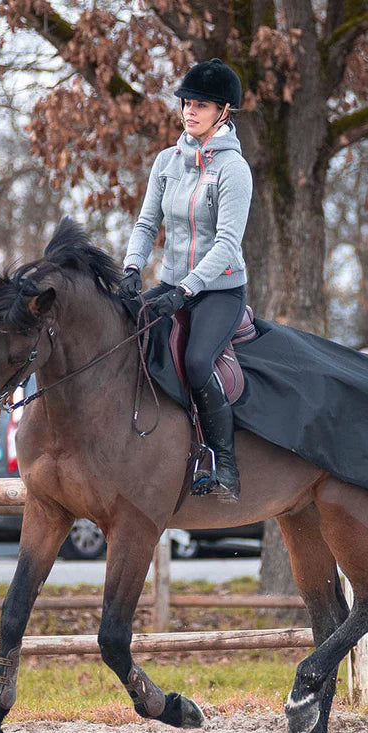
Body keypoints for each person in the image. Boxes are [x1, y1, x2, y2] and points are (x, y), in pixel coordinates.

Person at [118, 58, 253, 502]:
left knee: (197, 363)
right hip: (172, 285)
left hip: (218, 291)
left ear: (223, 112)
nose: (189, 112)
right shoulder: (166, 162)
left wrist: (185, 288)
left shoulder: (234, 170)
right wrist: (133, 268)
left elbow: (228, 243)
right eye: (186, 103)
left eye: (201, 105)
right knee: (122, 330)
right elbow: (144, 224)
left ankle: (226, 466)